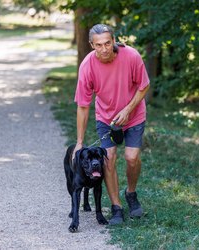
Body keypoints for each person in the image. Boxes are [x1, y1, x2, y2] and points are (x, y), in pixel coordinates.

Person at [73, 24, 150, 225]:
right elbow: (83, 105)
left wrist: (127, 110)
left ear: (114, 40)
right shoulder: (87, 66)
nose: (104, 48)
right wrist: (80, 142)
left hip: (134, 115)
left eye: (108, 43)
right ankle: (116, 207)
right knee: (109, 159)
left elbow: (144, 86)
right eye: (99, 45)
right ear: (91, 45)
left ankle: (131, 193)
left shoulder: (131, 56)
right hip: (106, 118)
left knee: (132, 157)